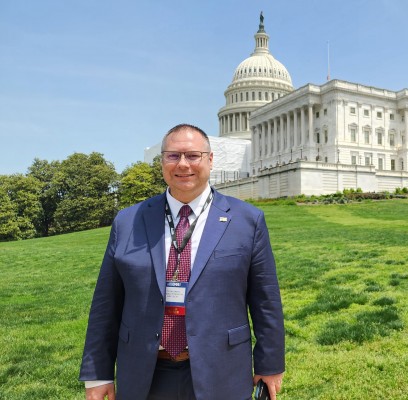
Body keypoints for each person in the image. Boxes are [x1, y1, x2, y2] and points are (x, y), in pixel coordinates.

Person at [79, 124, 285, 400]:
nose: (183, 164)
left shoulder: (247, 220)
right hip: (145, 373)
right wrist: (98, 373)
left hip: (221, 371)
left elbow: (265, 301)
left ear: (210, 160)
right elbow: (106, 303)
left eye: (193, 155)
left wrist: (270, 364)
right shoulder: (128, 221)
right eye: (173, 156)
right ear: (162, 162)